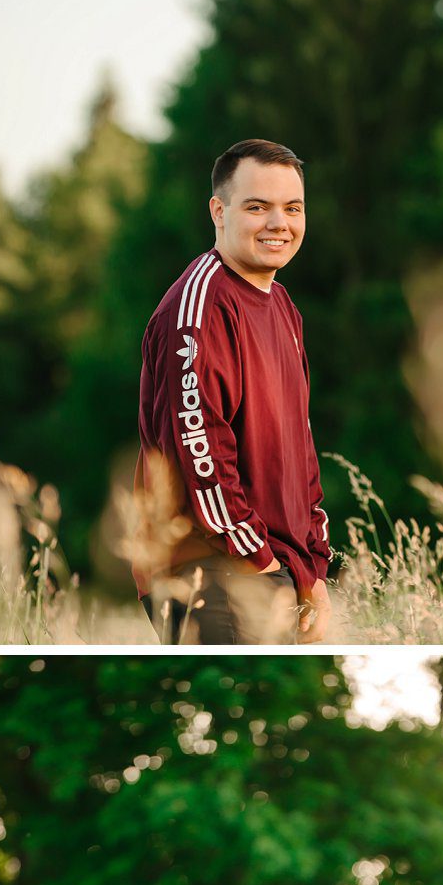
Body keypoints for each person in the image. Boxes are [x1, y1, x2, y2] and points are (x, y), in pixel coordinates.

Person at [134, 139, 333, 644]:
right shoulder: (198, 307)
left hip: (276, 571)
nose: (278, 224)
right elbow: (199, 448)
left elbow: (299, 446)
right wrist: (260, 561)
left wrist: (311, 567)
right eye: (257, 207)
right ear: (218, 212)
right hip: (212, 570)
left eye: (292, 208)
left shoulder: (283, 306)